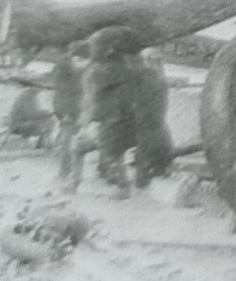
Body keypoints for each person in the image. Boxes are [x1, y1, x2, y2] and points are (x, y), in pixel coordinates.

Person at [69, 26, 140, 199]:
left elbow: (90, 101)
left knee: (90, 150)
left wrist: (85, 124)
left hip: (108, 121)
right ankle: (119, 185)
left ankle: (121, 188)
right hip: (127, 120)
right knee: (114, 154)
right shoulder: (122, 67)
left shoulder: (94, 72)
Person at [132, 48, 174, 189]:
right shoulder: (160, 77)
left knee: (145, 152)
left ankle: (143, 182)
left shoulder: (147, 77)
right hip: (156, 121)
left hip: (147, 121)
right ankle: (159, 172)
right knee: (160, 148)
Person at [50, 42, 88, 181]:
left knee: (80, 143)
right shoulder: (64, 70)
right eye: (80, 60)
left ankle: (75, 174)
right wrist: (62, 113)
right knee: (67, 143)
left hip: (83, 112)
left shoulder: (88, 70)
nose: (84, 63)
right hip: (69, 112)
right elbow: (61, 93)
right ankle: (65, 173)